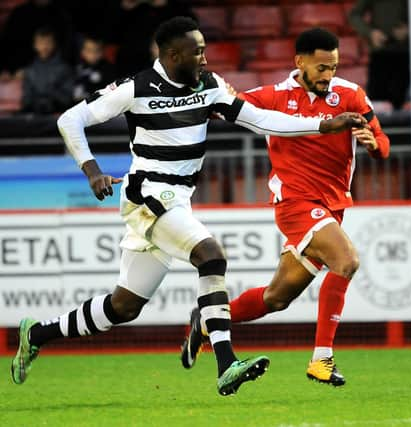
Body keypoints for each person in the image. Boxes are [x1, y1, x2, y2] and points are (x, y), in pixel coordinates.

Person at [10, 17, 367, 396]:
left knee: (123, 307)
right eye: (197, 51)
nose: (204, 58)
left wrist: (323, 125)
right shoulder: (137, 87)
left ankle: (36, 333)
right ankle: (227, 363)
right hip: (147, 194)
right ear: (172, 54)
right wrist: (92, 169)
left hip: (175, 201)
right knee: (210, 255)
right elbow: (71, 120)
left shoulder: (209, 87)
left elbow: (263, 119)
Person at [181, 28, 390, 387]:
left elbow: (383, 143)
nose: (328, 75)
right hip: (295, 202)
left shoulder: (351, 95)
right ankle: (321, 359)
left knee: (277, 298)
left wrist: (373, 145)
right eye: (321, 67)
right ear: (300, 63)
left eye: (333, 67)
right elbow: (225, 106)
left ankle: (208, 320)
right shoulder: (272, 97)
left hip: (332, 207)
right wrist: (203, 92)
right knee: (347, 261)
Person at [348, 0, 410, 109]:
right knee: (377, 102)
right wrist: (371, 33)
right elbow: (354, 15)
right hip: (380, 54)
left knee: (403, 102)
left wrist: (409, 30)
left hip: (407, 53)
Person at [21, 26, 74, 114]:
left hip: (59, 114)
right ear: (35, 45)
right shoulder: (30, 70)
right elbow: (26, 100)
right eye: (41, 42)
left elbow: (67, 99)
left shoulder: (65, 69)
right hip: (34, 115)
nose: (45, 46)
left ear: (54, 44)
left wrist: (51, 92)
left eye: (48, 42)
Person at [73, 36, 116, 102]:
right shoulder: (77, 67)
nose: (93, 55)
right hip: (78, 105)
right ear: (82, 51)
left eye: (97, 51)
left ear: (102, 52)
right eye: (89, 51)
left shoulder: (108, 69)